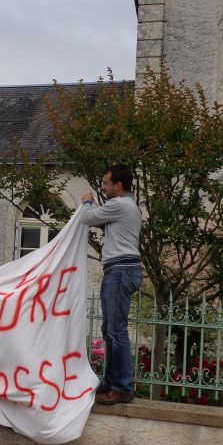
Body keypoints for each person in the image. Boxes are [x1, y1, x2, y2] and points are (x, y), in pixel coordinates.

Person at [77, 164, 142, 404]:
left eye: (106, 183)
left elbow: (87, 217)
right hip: (121, 270)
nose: (102, 187)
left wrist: (86, 201)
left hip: (121, 270)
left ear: (119, 185)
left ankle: (122, 387)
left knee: (116, 331)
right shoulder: (129, 207)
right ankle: (111, 382)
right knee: (110, 330)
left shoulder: (118, 205)